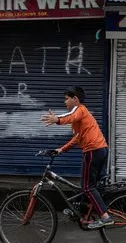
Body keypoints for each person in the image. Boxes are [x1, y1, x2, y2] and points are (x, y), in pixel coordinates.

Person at [41, 86, 113, 229]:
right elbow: (77, 138)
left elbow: (69, 116)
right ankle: (82, 210)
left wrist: (56, 119)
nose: (65, 102)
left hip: (93, 151)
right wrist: (61, 149)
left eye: (66, 99)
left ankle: (105, 217)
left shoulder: (79, 109)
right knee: (87, 185)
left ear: (75, 99)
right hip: (100, 150)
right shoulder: (79, 118)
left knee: (87, 187)